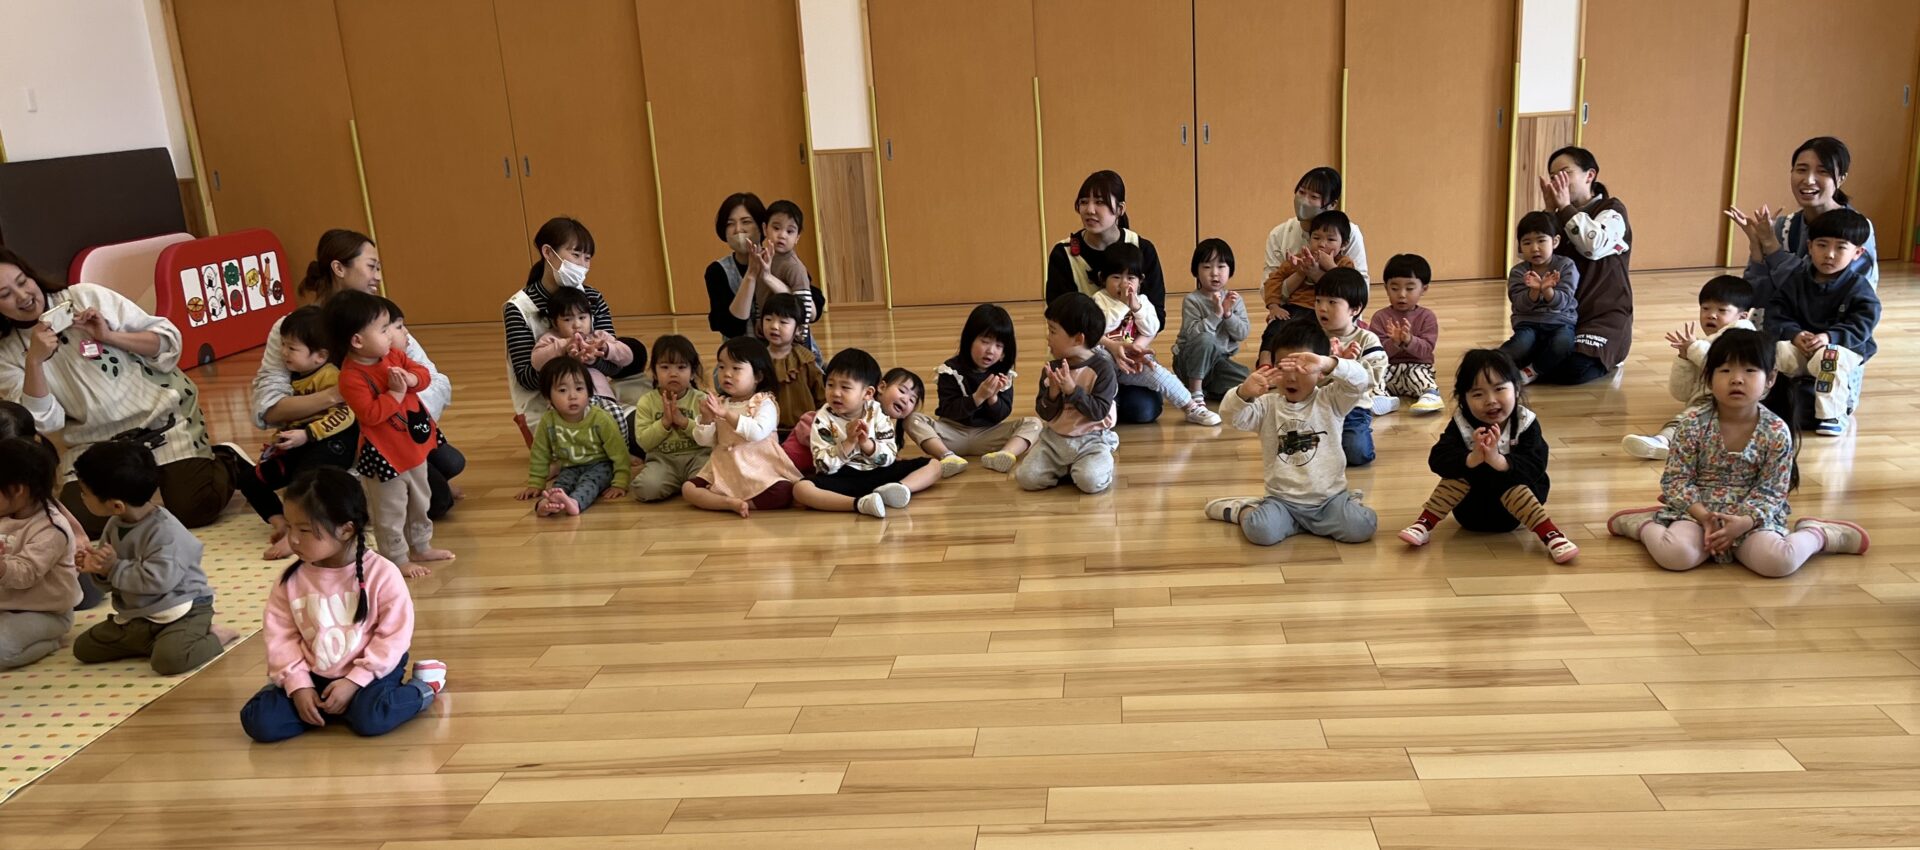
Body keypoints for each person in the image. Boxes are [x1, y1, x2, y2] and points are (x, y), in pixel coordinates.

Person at [0, 247, 231, 538]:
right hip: (95, 442)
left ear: (32, 275)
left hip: (159, 421)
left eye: (23, 281)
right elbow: (44, 423)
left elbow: (166, 342)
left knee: (196, 505)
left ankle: (227, 459)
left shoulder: (84, 296)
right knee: (86, 520)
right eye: (5, 295)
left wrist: (109, 336)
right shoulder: (7, 353)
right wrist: (34, 361)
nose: (23, 296)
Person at [1608, 330, 1868, 577]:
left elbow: (1772, 491)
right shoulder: (1692, 424)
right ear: (1708, 378)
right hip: (1697, 513)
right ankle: (1642, 524)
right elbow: (1676, 480)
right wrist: (1704, 516)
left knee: (1778, 562)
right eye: (1725, 370)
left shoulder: (1775, 430)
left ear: (1770, 379)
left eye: (1750, 370)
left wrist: (1743, 522)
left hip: (1751, 517)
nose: (1737, 379)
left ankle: (1818, 534)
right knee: (1676, 556)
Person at [255, 230, 462, 519]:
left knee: (448, 465)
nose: (377, 276)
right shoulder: (293, 327)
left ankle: (367, 487)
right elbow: (268, 407)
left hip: (386, 429)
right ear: (339, 269)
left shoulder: (378, 319)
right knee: (422, 496)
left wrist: (398, 399)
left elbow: (434, 380)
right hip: (329, 436)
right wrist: (339, 397)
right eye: (372, 266)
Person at [239, 467, 445, 742]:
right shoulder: (289, 580)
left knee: (371, 718)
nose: (294, 539)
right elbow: (281, 637)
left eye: (304, 530)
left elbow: (393, 637)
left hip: (371, 671)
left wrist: (354, 681)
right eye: (290, 527)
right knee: (259, 721)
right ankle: (323, 706)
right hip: (313, 673)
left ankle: (424, 687)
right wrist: (298, 685)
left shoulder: (382, 573)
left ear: (346, 529)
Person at [1204, 317, 1377, 547]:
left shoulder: (1331, 400)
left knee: (1362, 526)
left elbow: (1360, 381)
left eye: (1302, 368)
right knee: (1261, 531)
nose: (1292, 377)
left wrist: (1328, 362)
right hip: (1283, 502)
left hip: (1329, 500)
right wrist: (1244, 392)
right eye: (1283, 367)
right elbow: (1230, 416)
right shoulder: (1267, 405)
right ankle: (1242, 509)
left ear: (1321, 372)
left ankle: (1340, 507)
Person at [70, 441, 239, 674]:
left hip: (182, 609)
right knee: (84, 648)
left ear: (117, 505)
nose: (81, 497)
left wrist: (112, 568)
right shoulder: (115, 524)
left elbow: (158, 581)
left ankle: (215, 637)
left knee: (170, 661)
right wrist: (98, 569)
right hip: (138, 614)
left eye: (85, 493)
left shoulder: (166, 532)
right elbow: (113, 580)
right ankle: (155, 641)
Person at [1398, 349, 1578, 564]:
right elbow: (1438, 459)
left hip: (1515, 514)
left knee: (1507, 480)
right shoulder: (1462, 423)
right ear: (1463, 399)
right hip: (1471, 511)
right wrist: (1472, 458)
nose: (1490, 400)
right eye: (1477, 394)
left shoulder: (1525, 422)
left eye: (1499, 389)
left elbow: (1535, 465)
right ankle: (1424, 523)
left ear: (1517, 389)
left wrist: (1499, 461)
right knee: (1460, 474)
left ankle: (1551, 534)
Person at [327, 291, 453, 578]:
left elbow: (422, 373)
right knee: (390, 509)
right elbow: (370, 414)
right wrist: (396, 393)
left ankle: (420, 545)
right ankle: (395, 557)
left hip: (412, 445)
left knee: (421, 499)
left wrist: (411, 379)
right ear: (357, 341)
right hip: (384, 455)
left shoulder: (392, 355)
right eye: (383, 330)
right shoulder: (351, 377)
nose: (390, 335)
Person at [1043, 170, 1170, 424]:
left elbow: (1158, 314)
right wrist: (1110, 346)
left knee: (1143, 411)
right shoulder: (1063, 253)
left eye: (1100, 202)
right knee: (1082, 406)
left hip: (1130, 353)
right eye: (1084, 202)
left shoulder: (1142, 249)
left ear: (1120, 209)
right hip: (1083, 356)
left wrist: (1135, 349)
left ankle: (1108, 399)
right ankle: (1101, 399)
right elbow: (1059, 317)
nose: (1090, 210)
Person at [232, 306, 359, 559]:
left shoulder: (331, 376)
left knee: (305, 482)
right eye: (283, 345)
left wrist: (308, 434)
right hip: (300, 443)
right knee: (250, 479)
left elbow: (346, 415)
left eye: (292, 348)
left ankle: (300, 532)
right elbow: (283, 415)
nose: (283, 353)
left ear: (320, 356)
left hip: (331, 441)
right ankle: (281, 522)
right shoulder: (292, 377)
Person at [503, 217, 648, 429]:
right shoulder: (519, 308)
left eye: (587, 258)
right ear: (548, 253)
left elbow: (614, 368)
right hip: (546, 406)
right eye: (575, 255)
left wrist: (593, 358)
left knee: (648, 430)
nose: (582, 264)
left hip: (598, 395)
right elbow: (526, 378)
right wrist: (565, 356)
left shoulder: (593, 298)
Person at [1752, 208, 1880, 437]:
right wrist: (1794, 334)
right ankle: (1760, 404)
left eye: (1840, 247)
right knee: (1776, 352)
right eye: (1822, 245)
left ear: (1857, 253)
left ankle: (1832, 414)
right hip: (1801, 346)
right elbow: (1776, 313)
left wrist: (1830, 337)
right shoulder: (1796, 281)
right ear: (1810, 247)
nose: (1829, 254)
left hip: (1841, 348)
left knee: (1829, 357)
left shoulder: (1858, 287)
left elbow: (1862, 324)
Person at [1622, 276, 1760, 460]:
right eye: (1705, 308)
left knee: (1689, 420)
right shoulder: (1704, 345)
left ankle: (1663, 441)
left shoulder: (1743, 333)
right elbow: (1682, 393)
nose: (1711, 315)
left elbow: (1724, 367)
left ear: (1742, 316)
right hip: (1710, 402)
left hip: (1735, 400)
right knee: (1695, 421)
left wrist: (1694, 349)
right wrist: (1684, 359)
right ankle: (1669, 444)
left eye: (1721, 310)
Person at [792, 349, 941, 519]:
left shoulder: (876, 412)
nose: (836, 392)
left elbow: (889, 456)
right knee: (800, 489)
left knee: (934, 465)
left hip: (877, 472)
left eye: (845, 387)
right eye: (830, 385)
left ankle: (897, 489)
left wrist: (867, 444)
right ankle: (859, 503)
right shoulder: (822, 419)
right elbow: (823, 466)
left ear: (868, 393)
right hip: (843, 476)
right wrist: (848, 443)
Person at [1727, 136, 1879, 300]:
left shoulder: (1856, 229)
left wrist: (1772, 247)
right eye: (1801, 170)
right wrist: (1756, 246)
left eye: (1823, 171)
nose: (1808, 180)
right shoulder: (1782, 227)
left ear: (1841, 178)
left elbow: (1821, 296)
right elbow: (1757, 297)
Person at [1091, 244, 1220, 426]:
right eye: (1116, 277)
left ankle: (1191, 407)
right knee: (1101, 364)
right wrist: (1123, 305)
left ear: (1141, 280)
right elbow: (1099, 327)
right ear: (1102, 278)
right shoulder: (1099, 299)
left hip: (1132, 360)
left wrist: (1136, 308)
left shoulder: (1142, 302)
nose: (1124, 283)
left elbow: (1151, 328)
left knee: (1158, 373)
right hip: (1105, 357)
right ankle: (1104, 411)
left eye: (1131, 278)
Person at [1535, 146, 1633, 385]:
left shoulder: (1612, 210)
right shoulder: (1557, 216)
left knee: (1574, 369)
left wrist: (1564, 208)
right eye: (1553, 176)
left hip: (1603, 317)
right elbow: (1534, 256)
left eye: (1565, 172)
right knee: (1521, 351)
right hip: (1562, 314)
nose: (1557, 180)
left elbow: (1594, 246)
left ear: (1590, 175)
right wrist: (1549, 213)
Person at [908, 304, 1042, 476]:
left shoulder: (1004, 374)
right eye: (985, 342)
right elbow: (949, 410)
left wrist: (993, 398)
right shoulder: (950, 370)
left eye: (999, 346)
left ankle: (1004, 454)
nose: (990, 351)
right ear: (969, 340)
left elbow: (1002, 414)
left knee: (1034, 424)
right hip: (952, 433)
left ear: (1004, 353)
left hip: (987, 435)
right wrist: (978, 397)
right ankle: (947, 456)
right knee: (912, 419)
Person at [682, 337, 804, 517]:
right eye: (721, 367)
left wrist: (726, 414)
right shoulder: (721, 402)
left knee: (783, 491)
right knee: (688, 489)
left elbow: (757, 433)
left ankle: (738, 501)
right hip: (724, 467)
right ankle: (727, 503)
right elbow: (704, 441)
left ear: (758, 376)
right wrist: (707, 418)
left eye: (736, 368)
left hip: (759, 468)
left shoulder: (764, 402)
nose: (727, 374)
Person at [1014, 293, 1120, 494]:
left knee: (1090, 481)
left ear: (1078, 339)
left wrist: (1072, 391)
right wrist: (1052, 395)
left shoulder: (1103, 370)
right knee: (1026, 478)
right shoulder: (1052, 369)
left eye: (1053, 331)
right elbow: (1044, 413)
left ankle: (1094, 462)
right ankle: (1067, 468)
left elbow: (1099, 412)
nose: (1048, 337)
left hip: (1092, 440)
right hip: (1054, 441)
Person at [0, 437, 81, 670]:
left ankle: (51, 643)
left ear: (17, 490)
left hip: (44, 612)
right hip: (5, 606)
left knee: (2, 652)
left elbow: (26, 574)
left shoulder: (51, 528)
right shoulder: (5, 512)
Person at [517, 358, 630, 517]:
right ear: (548, 397)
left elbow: (619, 452)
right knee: (560, 486)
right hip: (569, 467)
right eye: (562, 390)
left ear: (589, 392)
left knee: (589, 483)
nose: (572, 396)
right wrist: (536, 483)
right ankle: (545, 504)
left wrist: (620, 482)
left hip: (601, 466)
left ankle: (575, 503)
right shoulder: (548, 421)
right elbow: (540, 453)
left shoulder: (601, 418)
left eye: (579, 388)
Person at [1297, 269, 1385, 467]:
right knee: (1300, 453)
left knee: (1356, 453)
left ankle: (1363, 427)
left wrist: (1344, 365)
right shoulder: (1312, 337)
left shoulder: (1366, 339)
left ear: (1355, 309)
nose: (1322, 308)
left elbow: (1373, 377)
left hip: (1353, 409)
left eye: (1332, 302)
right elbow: (1302, 376)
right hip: (1316, 406)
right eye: (1318, 301)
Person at [529, 285, 639, 443]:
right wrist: (564, 346)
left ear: (591, 318)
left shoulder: (598, 337)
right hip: (565, 399)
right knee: (560, 428)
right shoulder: (552, 339)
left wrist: (605, 348)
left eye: (582, 317)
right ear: (555, 322)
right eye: (567, 319)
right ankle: (571, 454)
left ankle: (620, 450)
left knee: (615, 416)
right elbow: (536, 361)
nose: (577, 325)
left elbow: (628, 356)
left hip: (600, 395)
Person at [725, 200, 826, 367]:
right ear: (765, 229)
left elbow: (804, 305)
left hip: (794, 334)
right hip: (771, 327)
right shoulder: (763, 258)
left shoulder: (794, 266)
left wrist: (799, 333)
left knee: (798, 367)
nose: (782, 235)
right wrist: (759, 318)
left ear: (797, 237)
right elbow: (760, 294)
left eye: (790, 231)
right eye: (776, 228)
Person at [1498, 211, 1582, 383]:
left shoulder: (1566, 266)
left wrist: (1547, 290)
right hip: (1528, 321)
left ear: (1555, 241)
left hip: (1560, 321)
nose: (1534, 248)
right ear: (1520, 247)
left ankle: (1532, 371)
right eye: (1527, 242)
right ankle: (1492, 365)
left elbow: (1563, 302)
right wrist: (1535, 291)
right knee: (1520, 345)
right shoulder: (1518, 272)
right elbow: (1520, 304)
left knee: (1563, 343)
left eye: (1541, 240)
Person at [1261, 166, 1372, 288]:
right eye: (1301, 192)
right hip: (1290, 300)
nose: (1303, 201)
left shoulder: (1348, 232)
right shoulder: (1279, 234)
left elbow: (1361, 288)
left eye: (1314, 197)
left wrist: (1318, 273)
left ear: (1332, 204)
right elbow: (1267, 286)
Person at [631, 335, 710, 502]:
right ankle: (684, 486)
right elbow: (644, 442)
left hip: (697, 458)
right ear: (654, 372)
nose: (673, 374)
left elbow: (710, 439)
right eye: (665, 367)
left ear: (692, 373)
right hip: (663, 461)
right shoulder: (647, 401)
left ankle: (686, 485)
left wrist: (684, 422)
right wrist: (664, 423)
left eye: (681, 367)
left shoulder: (701, 400)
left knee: (714, 479)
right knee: (645, 488)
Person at [1172, 238, 1252, 403]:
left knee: (1246, 381)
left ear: (1230, 270)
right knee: (1206, 339)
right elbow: (1192, 335)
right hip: (1188, 362)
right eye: (1207, 267)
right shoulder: (1192, 300)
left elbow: (1242, 333)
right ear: (1196, 271)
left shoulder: (1234, 299)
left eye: (1221, 266)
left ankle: (1207, 389)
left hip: (1216, 363)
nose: (1214, 273)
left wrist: (1228, 314)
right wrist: (1216, 314)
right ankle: (1195, 391)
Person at [1370, 253, 1442, 415]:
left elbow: (1426, 350)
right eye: (1394, 288)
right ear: (1386, 288)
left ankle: (1430, 395)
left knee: (1419, 375)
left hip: (1417, 367)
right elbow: (1376, 354)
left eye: (1409, 288)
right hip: (1388, 368)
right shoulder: (1380, 317)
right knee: (1372, 374)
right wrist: (1394, 342)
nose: (1402, 294)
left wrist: (1409, 340)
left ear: (1424, 289)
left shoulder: (1427, 317)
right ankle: (1382, 399)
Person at [1261, 210, 1360, 322]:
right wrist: (1274, 306)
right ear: (1309, 239)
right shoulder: (1299, 259)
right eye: (1316, 238)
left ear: (1343, 244)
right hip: (1294, 309)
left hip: (1329, 312)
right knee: (1276, 328)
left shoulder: (1344, 263)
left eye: (1331, 239)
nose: (1321, 244)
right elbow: (1273, 280)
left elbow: (1351, 290)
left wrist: (1331, 267)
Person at [706, 192, 769, 339]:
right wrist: (750, 276)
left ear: (762, 227)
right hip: (740, 350)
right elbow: (731, 328)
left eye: (746, 222)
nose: (738, 229)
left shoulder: (780, 260)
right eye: (730, 224)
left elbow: (810, 307)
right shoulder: (717, 271)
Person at [760, 293, 825, 433]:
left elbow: (820, 393)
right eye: (768, 319)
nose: (774, 326)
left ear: (799, 329)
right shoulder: (758, 358)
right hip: (766, 430)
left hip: (804, 428)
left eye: (783, 322)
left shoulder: (805, 359)